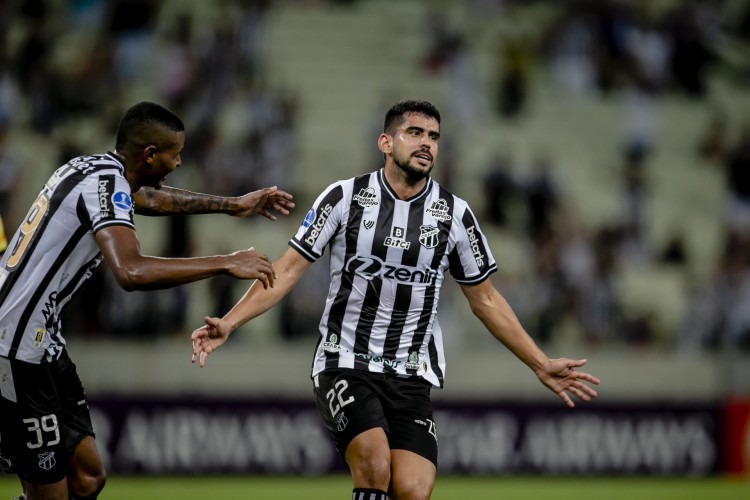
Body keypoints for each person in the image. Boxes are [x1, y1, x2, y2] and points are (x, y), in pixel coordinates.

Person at [190, 99, 599, 500]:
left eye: (434, 137)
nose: (426, 143)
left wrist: (540, 363)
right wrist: (231, 320)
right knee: (373, 463)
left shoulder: (454, 215)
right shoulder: (343, 198)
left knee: (413, 488)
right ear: (386, 142)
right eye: (415, 133)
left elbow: (487, 300)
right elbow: (286, 271)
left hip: (410, 374)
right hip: (344, 360)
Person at [0, 101, 295, 500]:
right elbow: (131, 272)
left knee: (88, 478)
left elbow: (152, 200)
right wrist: (226, 262)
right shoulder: (104, 184)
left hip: (43, 344)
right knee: (49, 494)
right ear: (150, 155)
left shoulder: (91, 169)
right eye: (175, 153)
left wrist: (231, 205)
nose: (179, 162)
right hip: (13, 350)